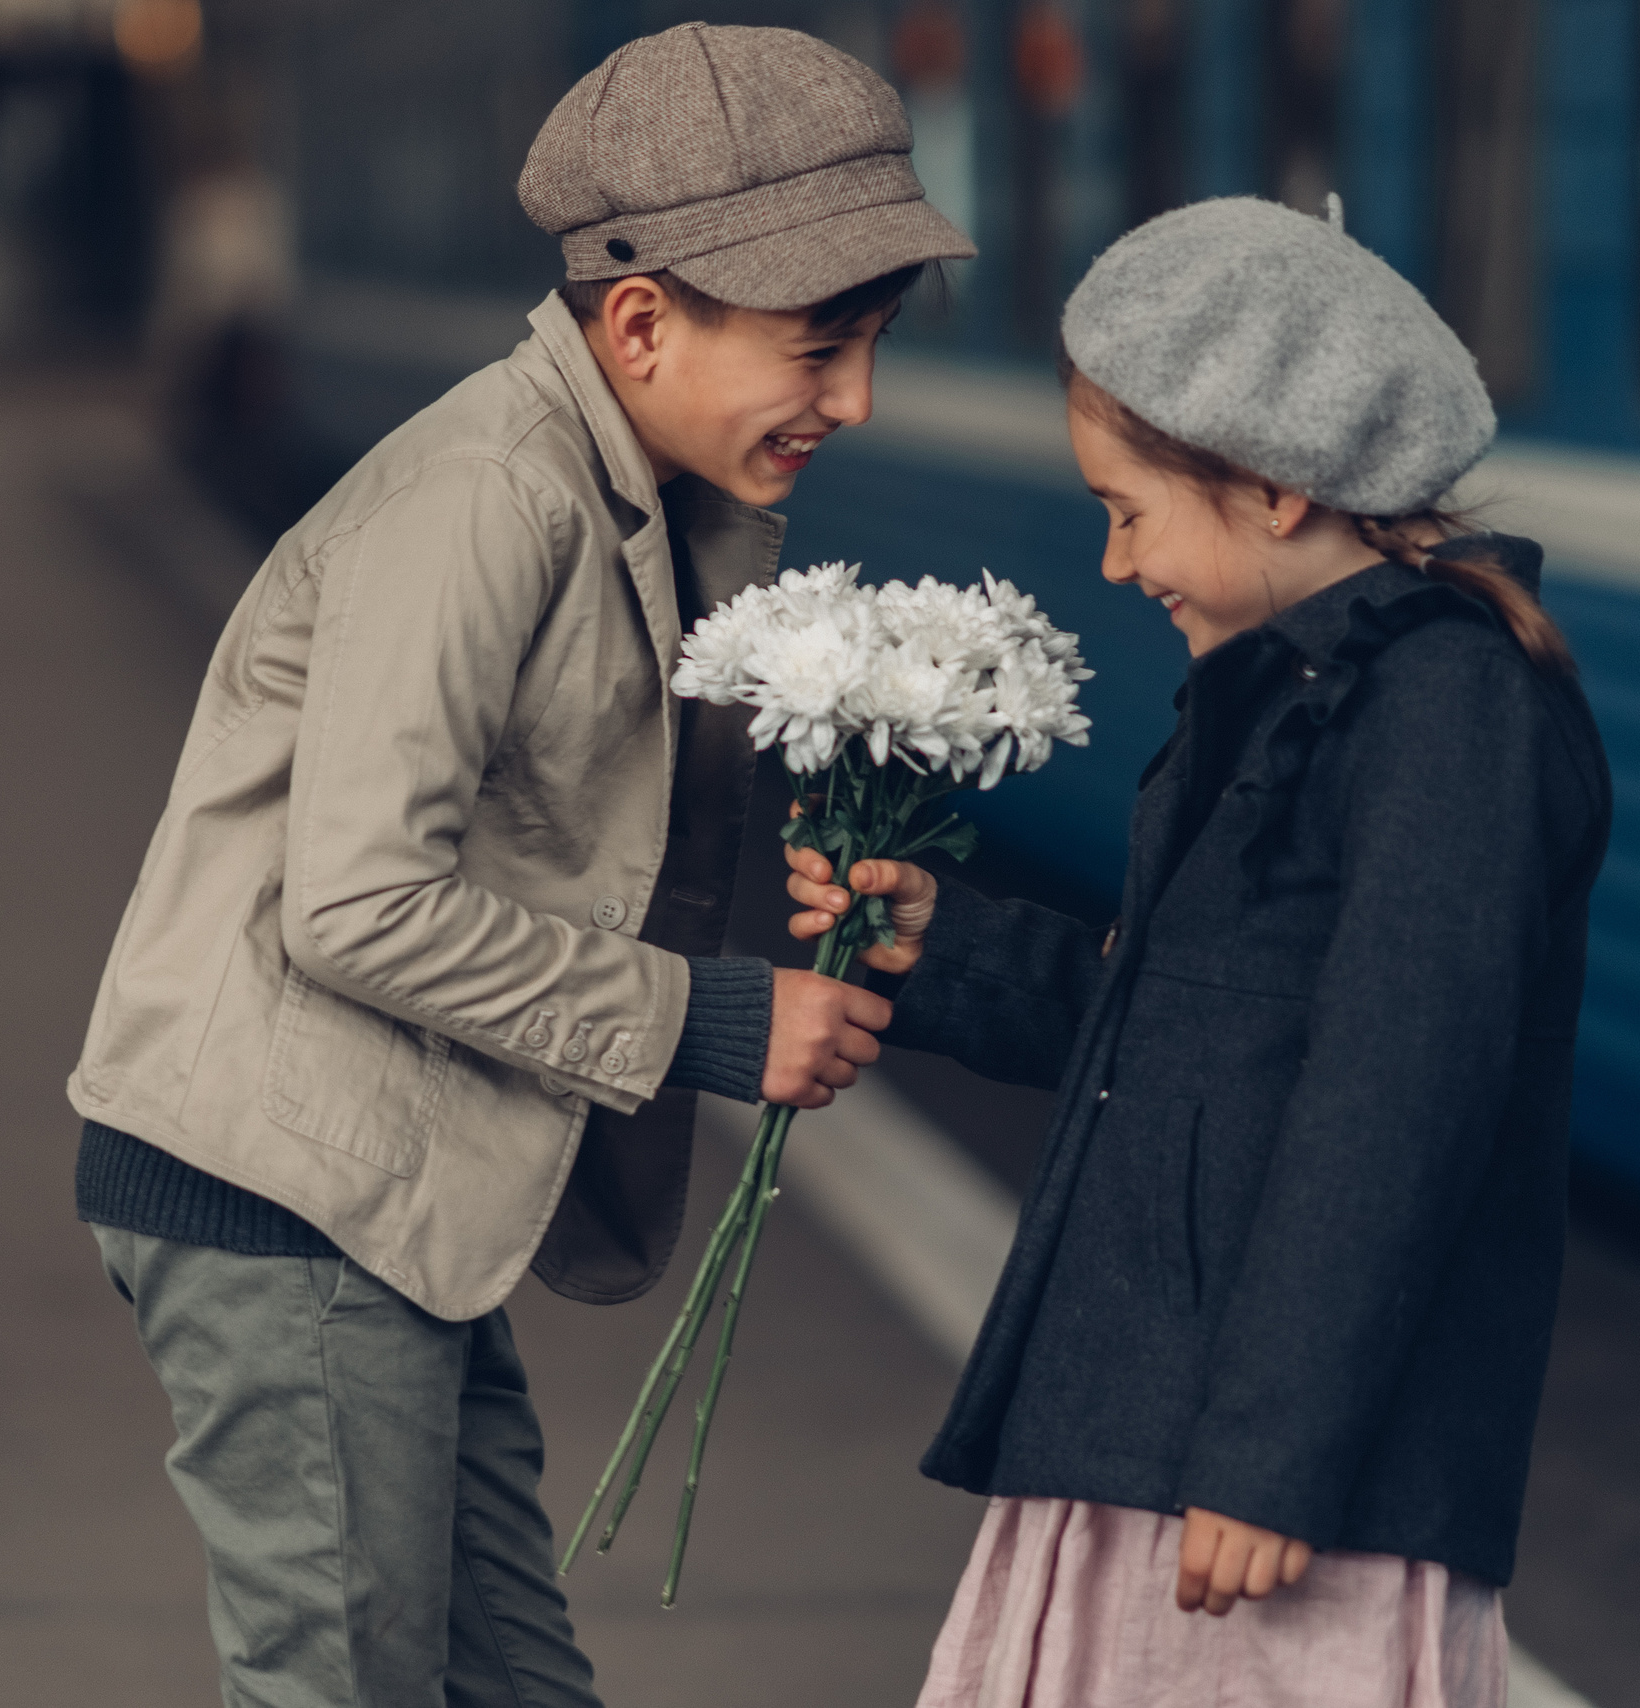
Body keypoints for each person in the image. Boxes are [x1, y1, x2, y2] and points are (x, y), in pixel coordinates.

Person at [67, 25, 973, 1708]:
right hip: (292, 1195)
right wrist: (713, 1020)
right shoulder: (490, 495)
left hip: (388, 1191)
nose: (851, 399)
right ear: (640, 322)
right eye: (820, 348)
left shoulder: (602, 481)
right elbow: (357, 902)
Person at [785, 197, 1612, 1707]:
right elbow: (1191, 1025)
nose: (1112, 561)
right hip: (1151, 1431)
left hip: (1273, 1489)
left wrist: (1274, 1458)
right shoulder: (1293, 690)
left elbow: (1396, 1106)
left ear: (1275, 487)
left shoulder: (1448, 713)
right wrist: (942, 948)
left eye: (1129, 509)